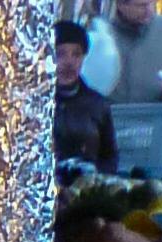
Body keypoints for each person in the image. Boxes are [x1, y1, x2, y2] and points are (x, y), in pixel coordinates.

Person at [106, 0, 162, 103]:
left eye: (152, 3)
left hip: (157, 113)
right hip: (109, 114)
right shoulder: (102, 33)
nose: (149, 10)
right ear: (121, 5)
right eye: (142, 6)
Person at [57, 23, 122, 166]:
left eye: (76, 54)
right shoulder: (36, 106)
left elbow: (110, 159)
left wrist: (93, 172)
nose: (69, 63)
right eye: (61, 54)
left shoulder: (98, 105)